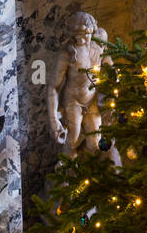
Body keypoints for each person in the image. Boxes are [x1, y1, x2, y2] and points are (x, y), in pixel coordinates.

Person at [46, 12, 120, 165]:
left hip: (92, 100)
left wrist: (114, 82)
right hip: (73, 101)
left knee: (94, 143)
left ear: (92, 30)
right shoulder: (67, 54)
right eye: (77, 34)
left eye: (85, 34)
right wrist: (53, 119)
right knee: (73, 138)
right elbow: (54, 86)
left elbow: (109, 63)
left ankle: (83, 174)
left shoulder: (98, 45)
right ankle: (65, 172)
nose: (81, 38)